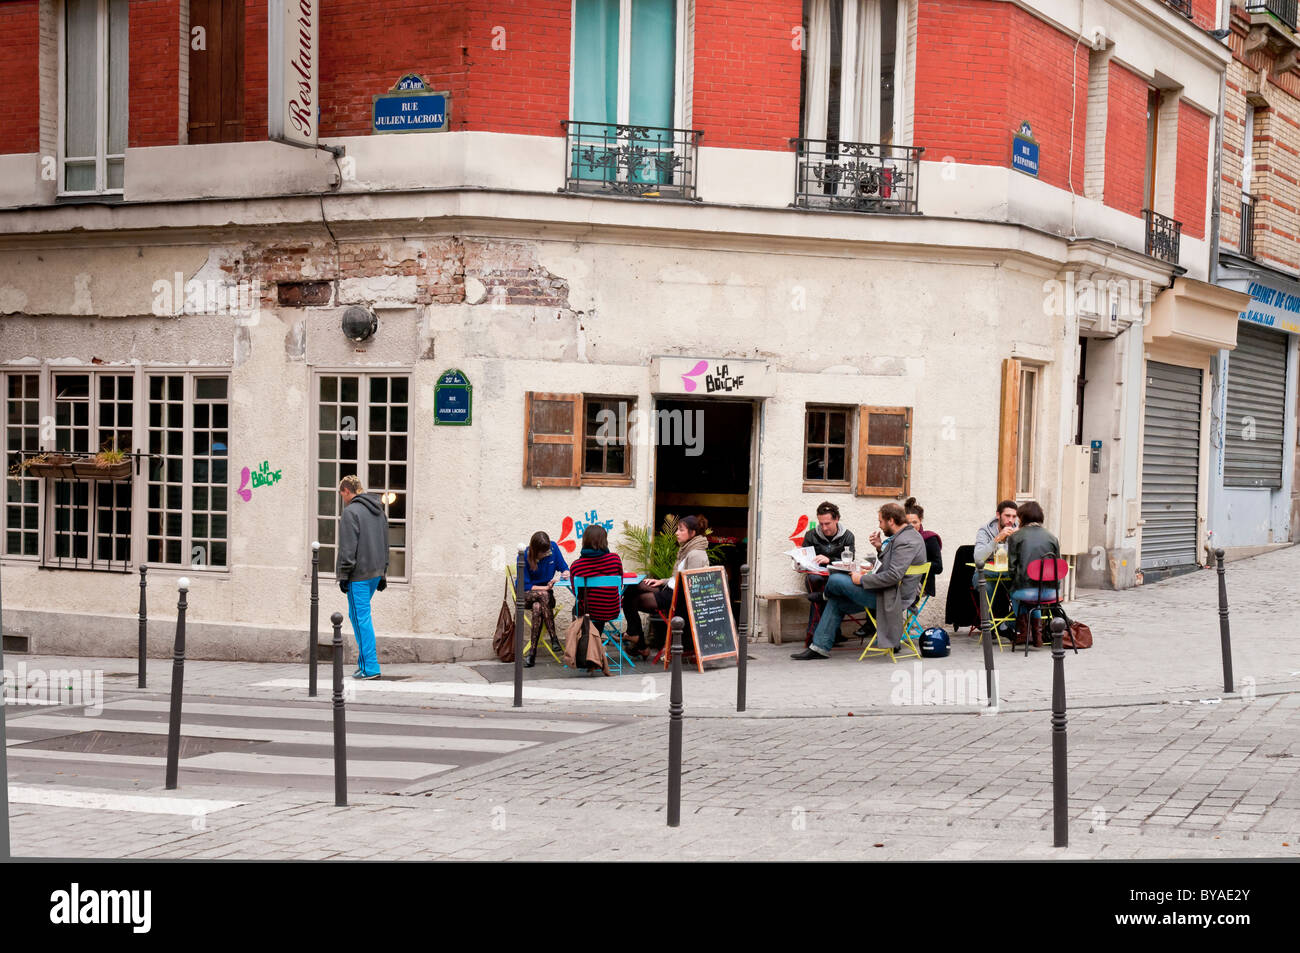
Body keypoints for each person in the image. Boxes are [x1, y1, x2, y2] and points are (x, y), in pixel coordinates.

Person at [792, 502, 926, 660]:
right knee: (837, 601)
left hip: (892, 598)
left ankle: (823, 596)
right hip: (886, 592)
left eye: (881, 522)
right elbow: (893, 566)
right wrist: (878, 549)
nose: (880, 526)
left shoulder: (907, 541)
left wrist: (862, 579)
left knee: (836, 579)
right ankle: (819, 648)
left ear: (891, 521)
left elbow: (893, 576)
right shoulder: (904, 537)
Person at [622, 515, 709, 657]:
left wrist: (668, 584)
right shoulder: (687, 549)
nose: (676, 533)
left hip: (676, 598)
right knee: (632, 587)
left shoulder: (696, 554)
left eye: (681, 530)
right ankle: (636, 638)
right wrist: (662, 581)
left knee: (633, 600)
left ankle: (638, 640)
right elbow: (678, 577)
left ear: (692, 533)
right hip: (670, 589)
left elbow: (691, 586)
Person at [336, 474, 389, 680]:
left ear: (347, 491)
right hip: (375, 573)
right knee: (357, 617)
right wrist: (383, 572)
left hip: (358, 575)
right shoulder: (378, 511)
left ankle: (371, 666)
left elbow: (348, 548)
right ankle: (364, 663)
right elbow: (385, 543)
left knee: (361, 619)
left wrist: (344, 574)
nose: (342, 497)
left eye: (342, 493)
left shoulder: (351, 512)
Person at [567, 523, 625, 659]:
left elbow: (577, 594)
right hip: (611, 610)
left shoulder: (577, 566)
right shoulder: (614, 559)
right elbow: (620, 585)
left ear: (584, 541)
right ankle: (595, 647)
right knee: (599, 609)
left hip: (588, 611)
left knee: (578, 609)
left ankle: (586, 647)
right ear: (604, 541)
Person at [802, 501, 856, 638]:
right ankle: (830, 633)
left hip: (836, 577)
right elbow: (803, 559)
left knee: (824, 594)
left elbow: (850, 561)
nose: (824, 528)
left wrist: (829, 560)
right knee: (816, 583)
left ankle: (816, 635)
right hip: (816, 577)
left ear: (836, 519)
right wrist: (799, 561)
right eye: (821, 524)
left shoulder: (848, 536)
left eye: (828, 523)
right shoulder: (810, 535)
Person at [521, 530, 570, 668]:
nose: (546, 554)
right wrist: (546, 588)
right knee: (543, 596)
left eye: (547, 551)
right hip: (526, 595)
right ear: (535, 551)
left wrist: (565, 573)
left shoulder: (553, 548)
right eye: (543, 553)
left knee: (538, 607)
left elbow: (564, 568)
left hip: (545, 599)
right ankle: (553, 637)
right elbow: (526, 585)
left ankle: (532, 654)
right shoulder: (525, 555)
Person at [1006, 500, 1062, 623]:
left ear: (1022, 518)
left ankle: (1025, 631)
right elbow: (1058, 566)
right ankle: (1037, 634)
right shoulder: (1052, 537)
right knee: (1031, 597)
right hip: (1053, 593)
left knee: (1014, 593)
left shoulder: (1016, 537)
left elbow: (1011, 569)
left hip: (1026, 591)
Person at [903, 497, 943, 597]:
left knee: (887, 593)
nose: (911, 526)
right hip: (902, 580)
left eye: (915, 522)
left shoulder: (929, 539)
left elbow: (938, 567)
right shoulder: (901, 538)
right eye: (908, 523)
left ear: (920, 520)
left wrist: (918, 564)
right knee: (880, 590)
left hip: (921, 583)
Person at [974, 499, 1019, 566]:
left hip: (1009, 572)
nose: (1010, 520)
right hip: (987, 571)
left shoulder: (1018, 530)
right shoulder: (984, 530)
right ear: (998, 515)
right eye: (1007, 516)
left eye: (1014, 516)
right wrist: (997, 538)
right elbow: (978, 558)